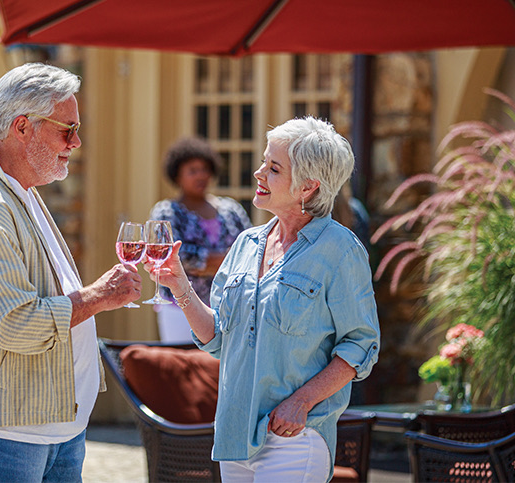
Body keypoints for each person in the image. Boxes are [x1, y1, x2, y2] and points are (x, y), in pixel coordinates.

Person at [0, 63, 141, 482]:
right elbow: (15, 325)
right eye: (67, 130)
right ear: (22, 127)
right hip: (7, 433)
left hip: (50, 426)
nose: (77, 142)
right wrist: (99, 296)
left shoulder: (18, 190)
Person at [144, 116, 380, 482]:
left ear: (307, 186)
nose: (258, 174)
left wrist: (301, 403)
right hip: (234, 434)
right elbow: (218, 337)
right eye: (263, 163)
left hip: (295, 435)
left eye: (273, 168)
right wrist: (180, 286)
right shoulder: (246, 244)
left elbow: (361, 345)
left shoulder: (340, 250)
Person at [149, 137, 251, 342]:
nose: (201, 175)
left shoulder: (231, 209)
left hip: (228, 307)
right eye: (193, 170)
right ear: (177, 175)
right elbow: (176, 258)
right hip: (179, 308)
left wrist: (206, 262)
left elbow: (250, 252)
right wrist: (226, 261)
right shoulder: (167, 211)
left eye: (204, 169)